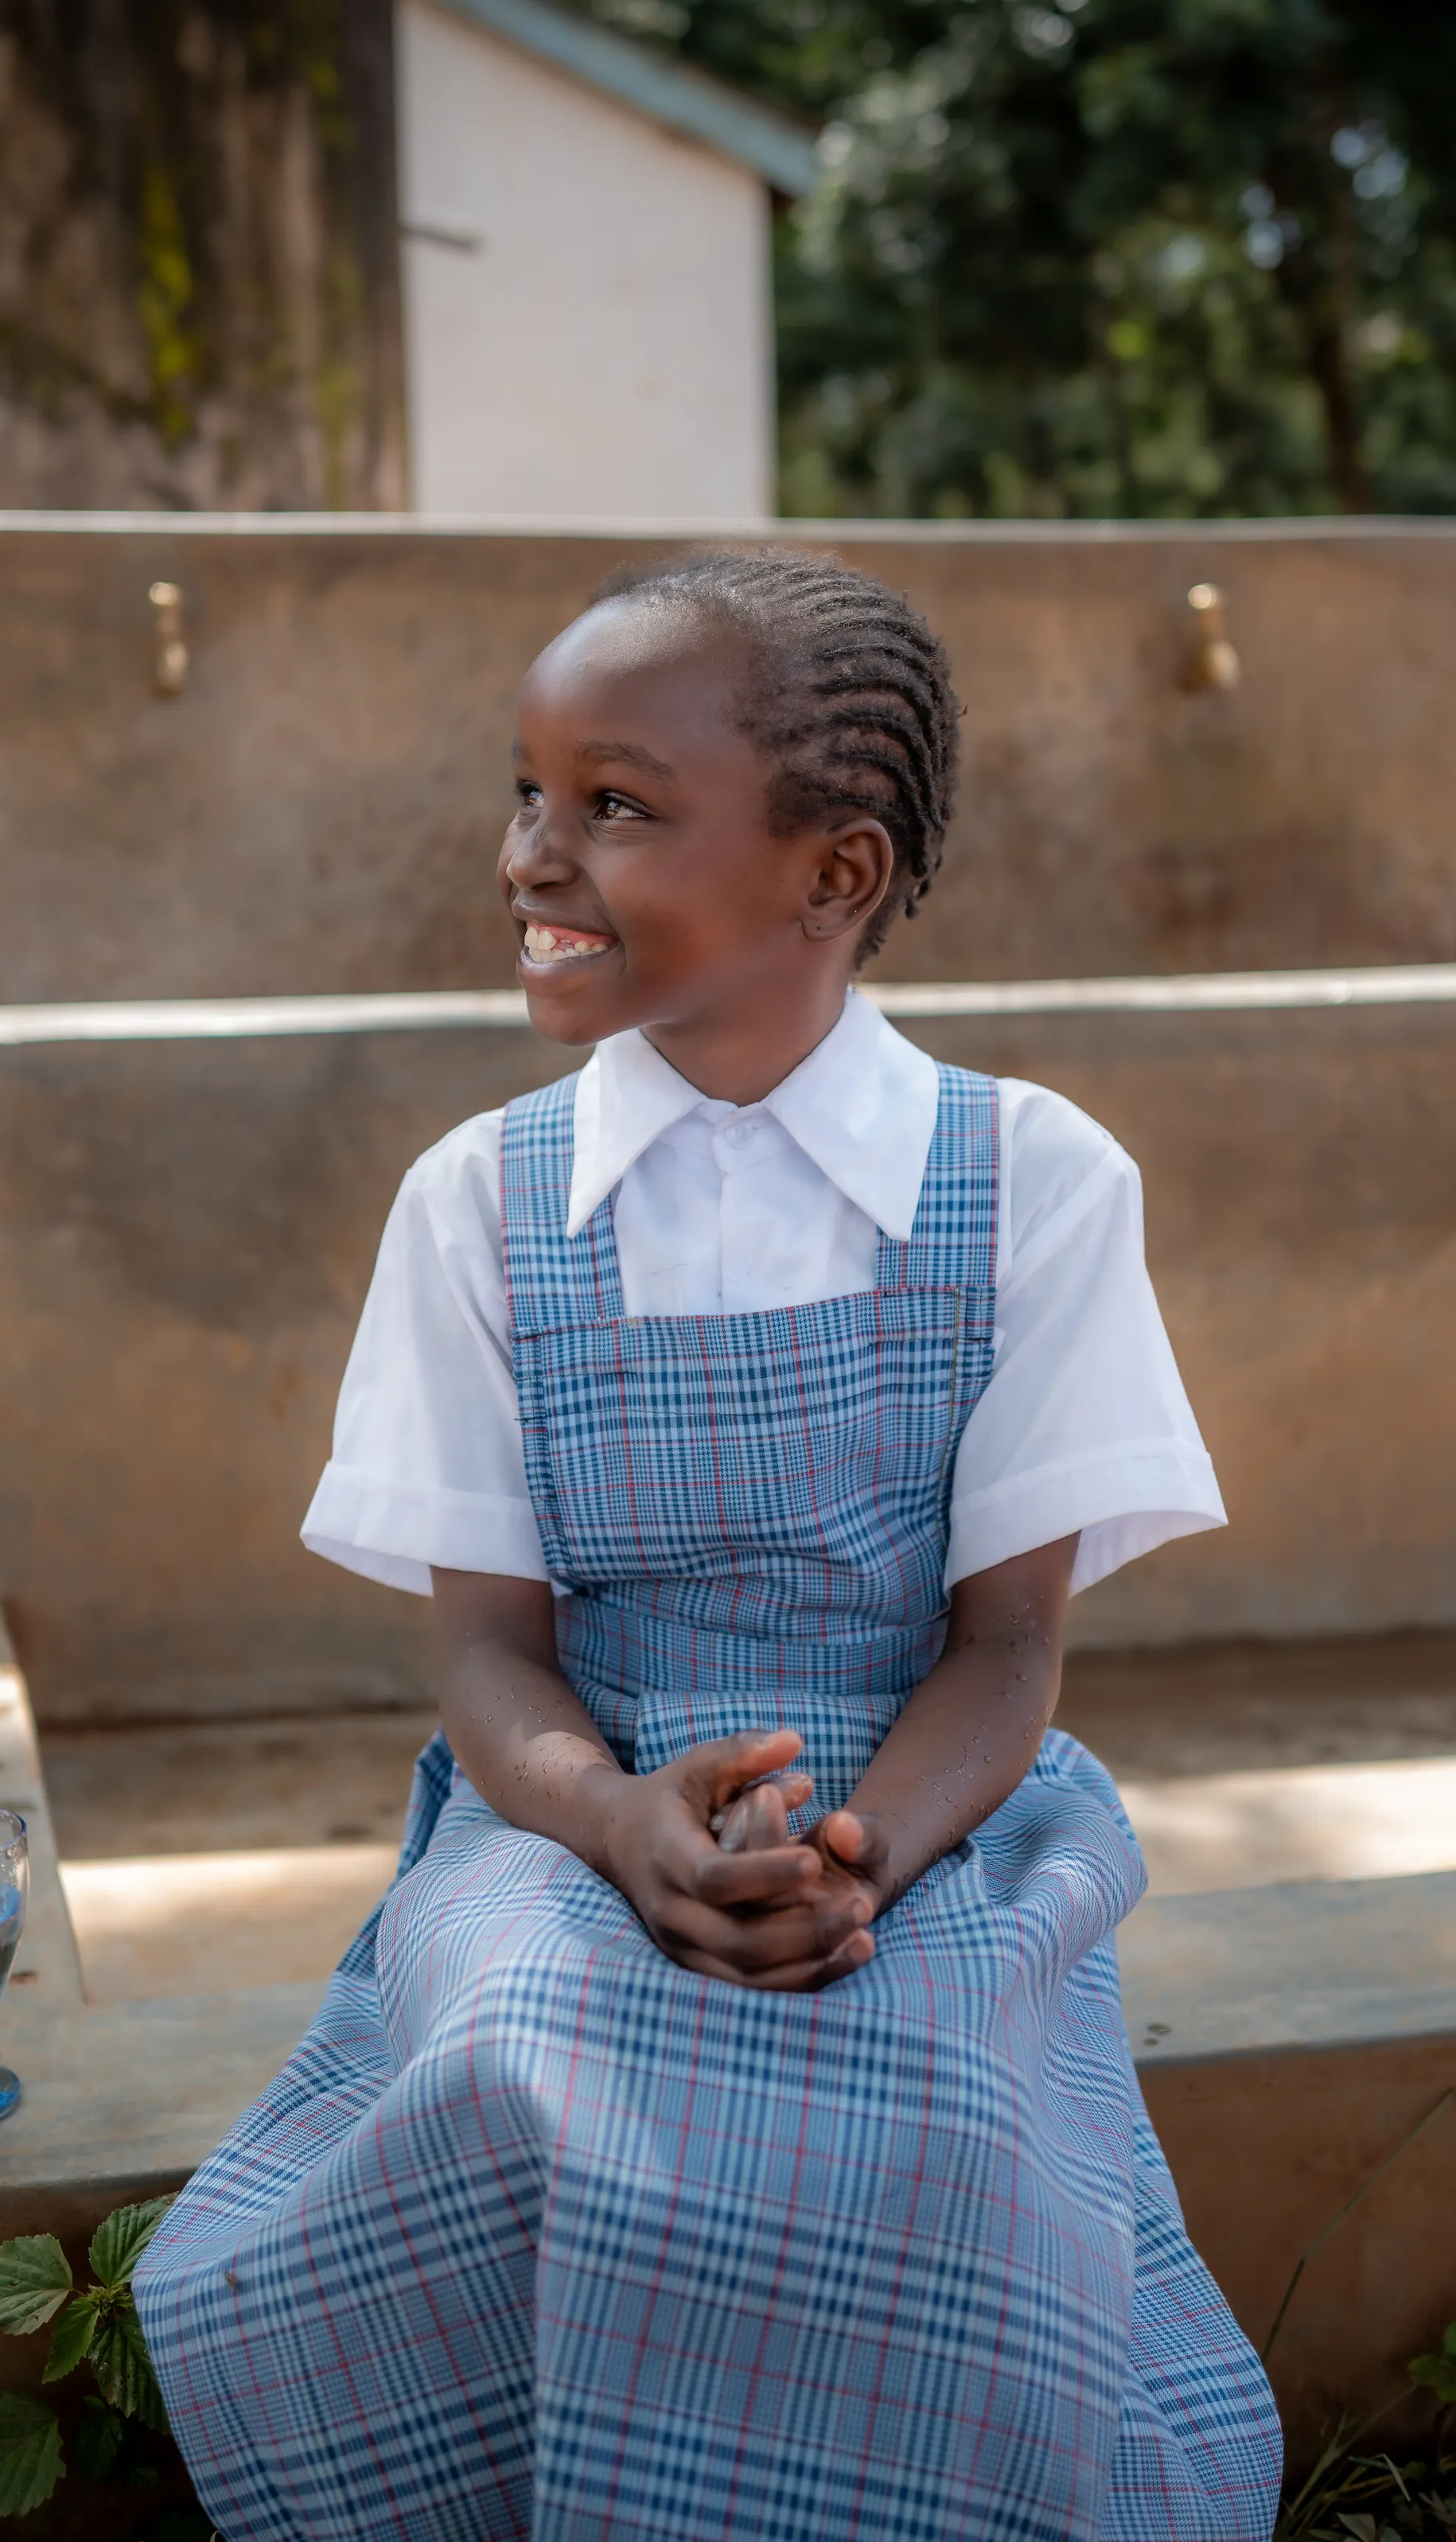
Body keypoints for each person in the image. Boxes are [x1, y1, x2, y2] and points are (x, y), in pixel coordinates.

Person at [136, 548, 1283, 2540]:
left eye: (617, 806)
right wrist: (620, 1829)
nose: (530, 855)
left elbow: (1008, 1649)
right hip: (572, 1801)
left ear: (832, 876)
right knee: (521, 2052)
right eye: (525, 790)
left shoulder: (1031, 1183)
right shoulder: (479, 1206)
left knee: (942, 2105)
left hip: (929, 1805)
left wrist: (855, 1859)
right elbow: (491, 1657)